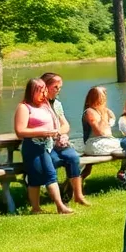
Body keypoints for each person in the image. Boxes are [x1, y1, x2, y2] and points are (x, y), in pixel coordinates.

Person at [14, 77, 83, 214]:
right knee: (36, 176)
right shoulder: (24, 107)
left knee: (49, 174)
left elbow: (57, 125)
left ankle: (59, 206)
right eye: (40, 92)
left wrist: (60, 134)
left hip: (47, 145)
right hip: (32, 146)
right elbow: (20, 131)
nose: (44, 95)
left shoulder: (46, 105)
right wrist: (43, 132)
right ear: (31, 92)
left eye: (45, 91)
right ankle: (37, 208)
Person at [41, 72, 89, 206]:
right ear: (45, 86)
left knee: (73, 157)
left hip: (59, 143)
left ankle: (78, 196)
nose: (58, 90)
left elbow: (65, 124)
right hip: (45, 145)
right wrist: (53, 134)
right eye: (56, 87)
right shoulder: (37, 105)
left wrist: (62, 134)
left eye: (60, 87)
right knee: (54, 161)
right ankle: (57, 196)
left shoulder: (56, 104)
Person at [82, 86, 126, 182]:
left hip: (107, 141)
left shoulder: (106, 111)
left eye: (105, 96)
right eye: (102, 96)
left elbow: (114, 126)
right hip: (96, 144)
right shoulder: (90, 112)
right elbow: (101, 132)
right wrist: (103, 115)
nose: (105, 99)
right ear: (95, 97)